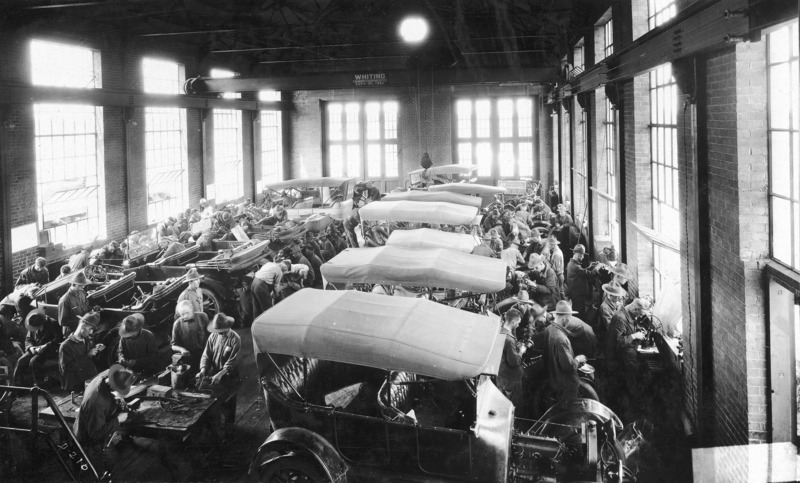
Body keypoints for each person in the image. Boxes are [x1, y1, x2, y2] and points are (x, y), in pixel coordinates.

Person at [73, 364, 135, 476]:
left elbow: (106, 397)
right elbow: (95, 433)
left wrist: (116, 398)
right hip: (88, 441)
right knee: (112, 463)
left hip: (86, 426)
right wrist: (118, 420)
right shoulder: (97, 401)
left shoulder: (100, 379)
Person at [606, 298, 650, 418]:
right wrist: (634, 335)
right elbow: (617, 342)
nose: (639, 317)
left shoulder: (628, 314)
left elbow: (626, 331)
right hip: (620, 360)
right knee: (626, 387)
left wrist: (637, 330)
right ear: (635, 308)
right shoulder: (620, 318)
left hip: (627, 356)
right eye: (639, 314)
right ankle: (626, 414)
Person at [544, 300, 586, 404]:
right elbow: (569, 366)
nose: (570, 320)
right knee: (569, 413)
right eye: (569, 317)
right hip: (565, 385)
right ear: (564, 319)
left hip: (553, 378)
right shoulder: (561, 339)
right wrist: (578, 359)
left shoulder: (549, 329)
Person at [14, 309, 62, 387]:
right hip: (34, 349)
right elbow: (28, 339)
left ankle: (38, 386)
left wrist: (44, 346)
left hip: (48, 350)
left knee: (34, 362)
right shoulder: (32, 323)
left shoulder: (53, 323)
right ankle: (18, 385)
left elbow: (58, 340)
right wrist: (31, 348)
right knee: (21, 361)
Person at [496, 308, 530, 409]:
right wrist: (521, 351)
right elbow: (514, 362)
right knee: (514, 407)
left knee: (501, 404)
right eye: (518, 322)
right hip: (511, 379)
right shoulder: (509, 340)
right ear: (513, 321)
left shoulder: (499, 332)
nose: (519, 324)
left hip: (501, 375)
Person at [58, 313, 101, 392]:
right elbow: (67, 369)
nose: (91, 332)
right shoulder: (65, 346)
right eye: (90, 329)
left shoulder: (86, 340)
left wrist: (96, 349)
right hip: (76, 385)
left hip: (89, 379)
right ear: (82, 325)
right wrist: (88, 355)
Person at [172, 300, 210, 376]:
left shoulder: (203, 317)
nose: (185, 316)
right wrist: (182, 349)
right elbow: (173, 345)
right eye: (182, 314)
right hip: (189, 357)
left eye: (187, 312)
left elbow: (212, 336)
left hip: (206, 355)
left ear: (192, 309)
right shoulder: (177, 324)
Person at [597, 281, 627, 355]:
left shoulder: (615, 303)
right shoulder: (604, 307)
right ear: (610, 295)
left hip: (615, 332)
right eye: (616, 296)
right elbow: (609, 327)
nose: (618, 298)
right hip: (607, 337)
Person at [58, 272, 91, 336]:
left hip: (83, 328)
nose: (83, 287)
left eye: (84, 285)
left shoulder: (82, 293)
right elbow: (63, 322)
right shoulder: (65, 300)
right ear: (74, 284)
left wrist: (93, 309)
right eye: (80, 285)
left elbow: (86, 307)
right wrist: (81, 320)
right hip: (72, 332)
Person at [565, 244, 591, 320]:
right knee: (579, 312)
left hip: (575, 293)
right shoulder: (575, 266)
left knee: (578, 310)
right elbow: (587, 274)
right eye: (582, 255)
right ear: (579, 255)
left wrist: (590, 267)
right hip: (578, 294)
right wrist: (596, 269)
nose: (583, 257)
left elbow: (582, 271)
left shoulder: (571, 263)